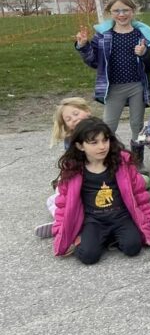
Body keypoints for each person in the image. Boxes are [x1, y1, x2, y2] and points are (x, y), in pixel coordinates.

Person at [52, 118, 150, 264]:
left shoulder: (122, 163)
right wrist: (61, 231)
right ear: (80, 146)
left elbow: (139, 194)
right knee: (89, 256)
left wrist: (149, 222)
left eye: (105, 140)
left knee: (133, 247)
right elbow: (64, 204)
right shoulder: (73, 169)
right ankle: (89, 237)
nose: (102, 146)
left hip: (121, 217)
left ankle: (110, 238)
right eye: (94, 142)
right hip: (93, 220)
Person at [74, 0, 150, 163]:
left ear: (133, 11)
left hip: (137, 86)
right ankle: (109, 161)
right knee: (108, 126)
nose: (121, 14)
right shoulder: (104, 35)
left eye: (126, 10)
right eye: (117, 11)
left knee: (137, 125)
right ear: (110, 13)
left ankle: (137, 162)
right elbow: (94, 61)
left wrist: (144, 53)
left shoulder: (142, 34)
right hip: (113, 87)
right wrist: (83, 46)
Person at [36, 98, 95, 239]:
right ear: (67, 125)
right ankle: (61, 221)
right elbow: (71, 163)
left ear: (87, 111)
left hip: (95, 175)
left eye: (76, 113)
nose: (74, 119)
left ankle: (65, 222)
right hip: (77, 173)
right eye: (68, 119)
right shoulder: (70, 139)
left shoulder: (99, 130)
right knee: (54, 199)